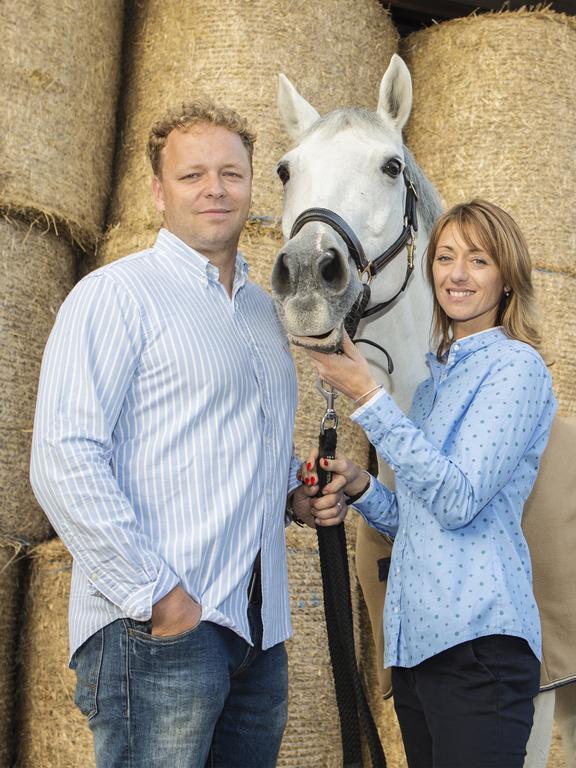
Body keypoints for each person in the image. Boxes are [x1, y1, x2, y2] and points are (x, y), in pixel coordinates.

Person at [30, 100, 342, 768]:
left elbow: (237, 440)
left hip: (257, 633)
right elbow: (62, 457)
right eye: (192, 175)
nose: (214, 189)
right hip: (161, 628)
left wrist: (295, 490)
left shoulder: (265, 313)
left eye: (231, 173)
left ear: (252, 184)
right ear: (157, 190)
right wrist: (158, 598)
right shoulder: (117, 295)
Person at [300, 199, 557, 768]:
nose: (457, 274)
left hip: (477, 644)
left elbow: (459, 499)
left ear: (507, 279)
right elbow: (426, 517)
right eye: (444, 257)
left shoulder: (515, 368)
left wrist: (368, 397)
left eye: (478, 259)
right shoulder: (432, 387)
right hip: (419, 649)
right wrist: (363, 487)